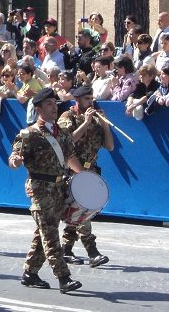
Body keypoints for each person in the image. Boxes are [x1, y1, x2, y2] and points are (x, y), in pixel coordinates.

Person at [8, 88, 84, 293]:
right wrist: (16, 161)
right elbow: (13, 157)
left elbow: (70, 158)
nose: (54, 107)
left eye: (55, 103)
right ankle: (64, 277)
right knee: (50, 234)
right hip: (40, 189)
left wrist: (85, 177)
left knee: (44, 231)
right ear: (38, 108)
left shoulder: (63, 133)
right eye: (49, 104)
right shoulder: (29, 134)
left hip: (59, 188)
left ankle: (30, 273)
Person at [57, 85, 113, 267]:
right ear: (78, 100)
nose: (91, 102)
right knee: (81, 211)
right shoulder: (68, 117)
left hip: (91, 170)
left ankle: (66, 249)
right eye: (87, 99)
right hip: (72, 170)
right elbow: (68, 140)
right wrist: (85, 123)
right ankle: (92, 251)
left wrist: (105, 126)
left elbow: (110, 146)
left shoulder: (96, 119)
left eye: (92, 98)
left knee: (79, 212)